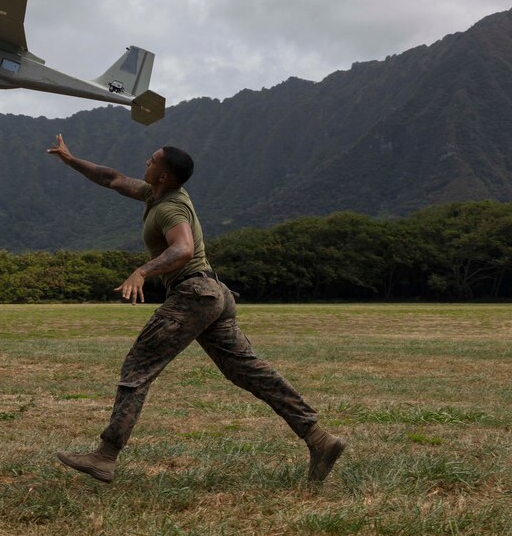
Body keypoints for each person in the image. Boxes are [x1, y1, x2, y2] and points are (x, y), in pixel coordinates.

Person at [47, 134, 346, 484]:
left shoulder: (171, 207)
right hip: (212, 294)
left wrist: (142, 271)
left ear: (163, 176)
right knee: (248, 371)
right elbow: (111, 178)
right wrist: (71, 160)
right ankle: (319, 438)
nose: (146, 160)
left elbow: (184, 249)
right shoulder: (154, 194)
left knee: (138, 367)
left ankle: (105, 455)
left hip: (193, 295)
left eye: (152, 159)